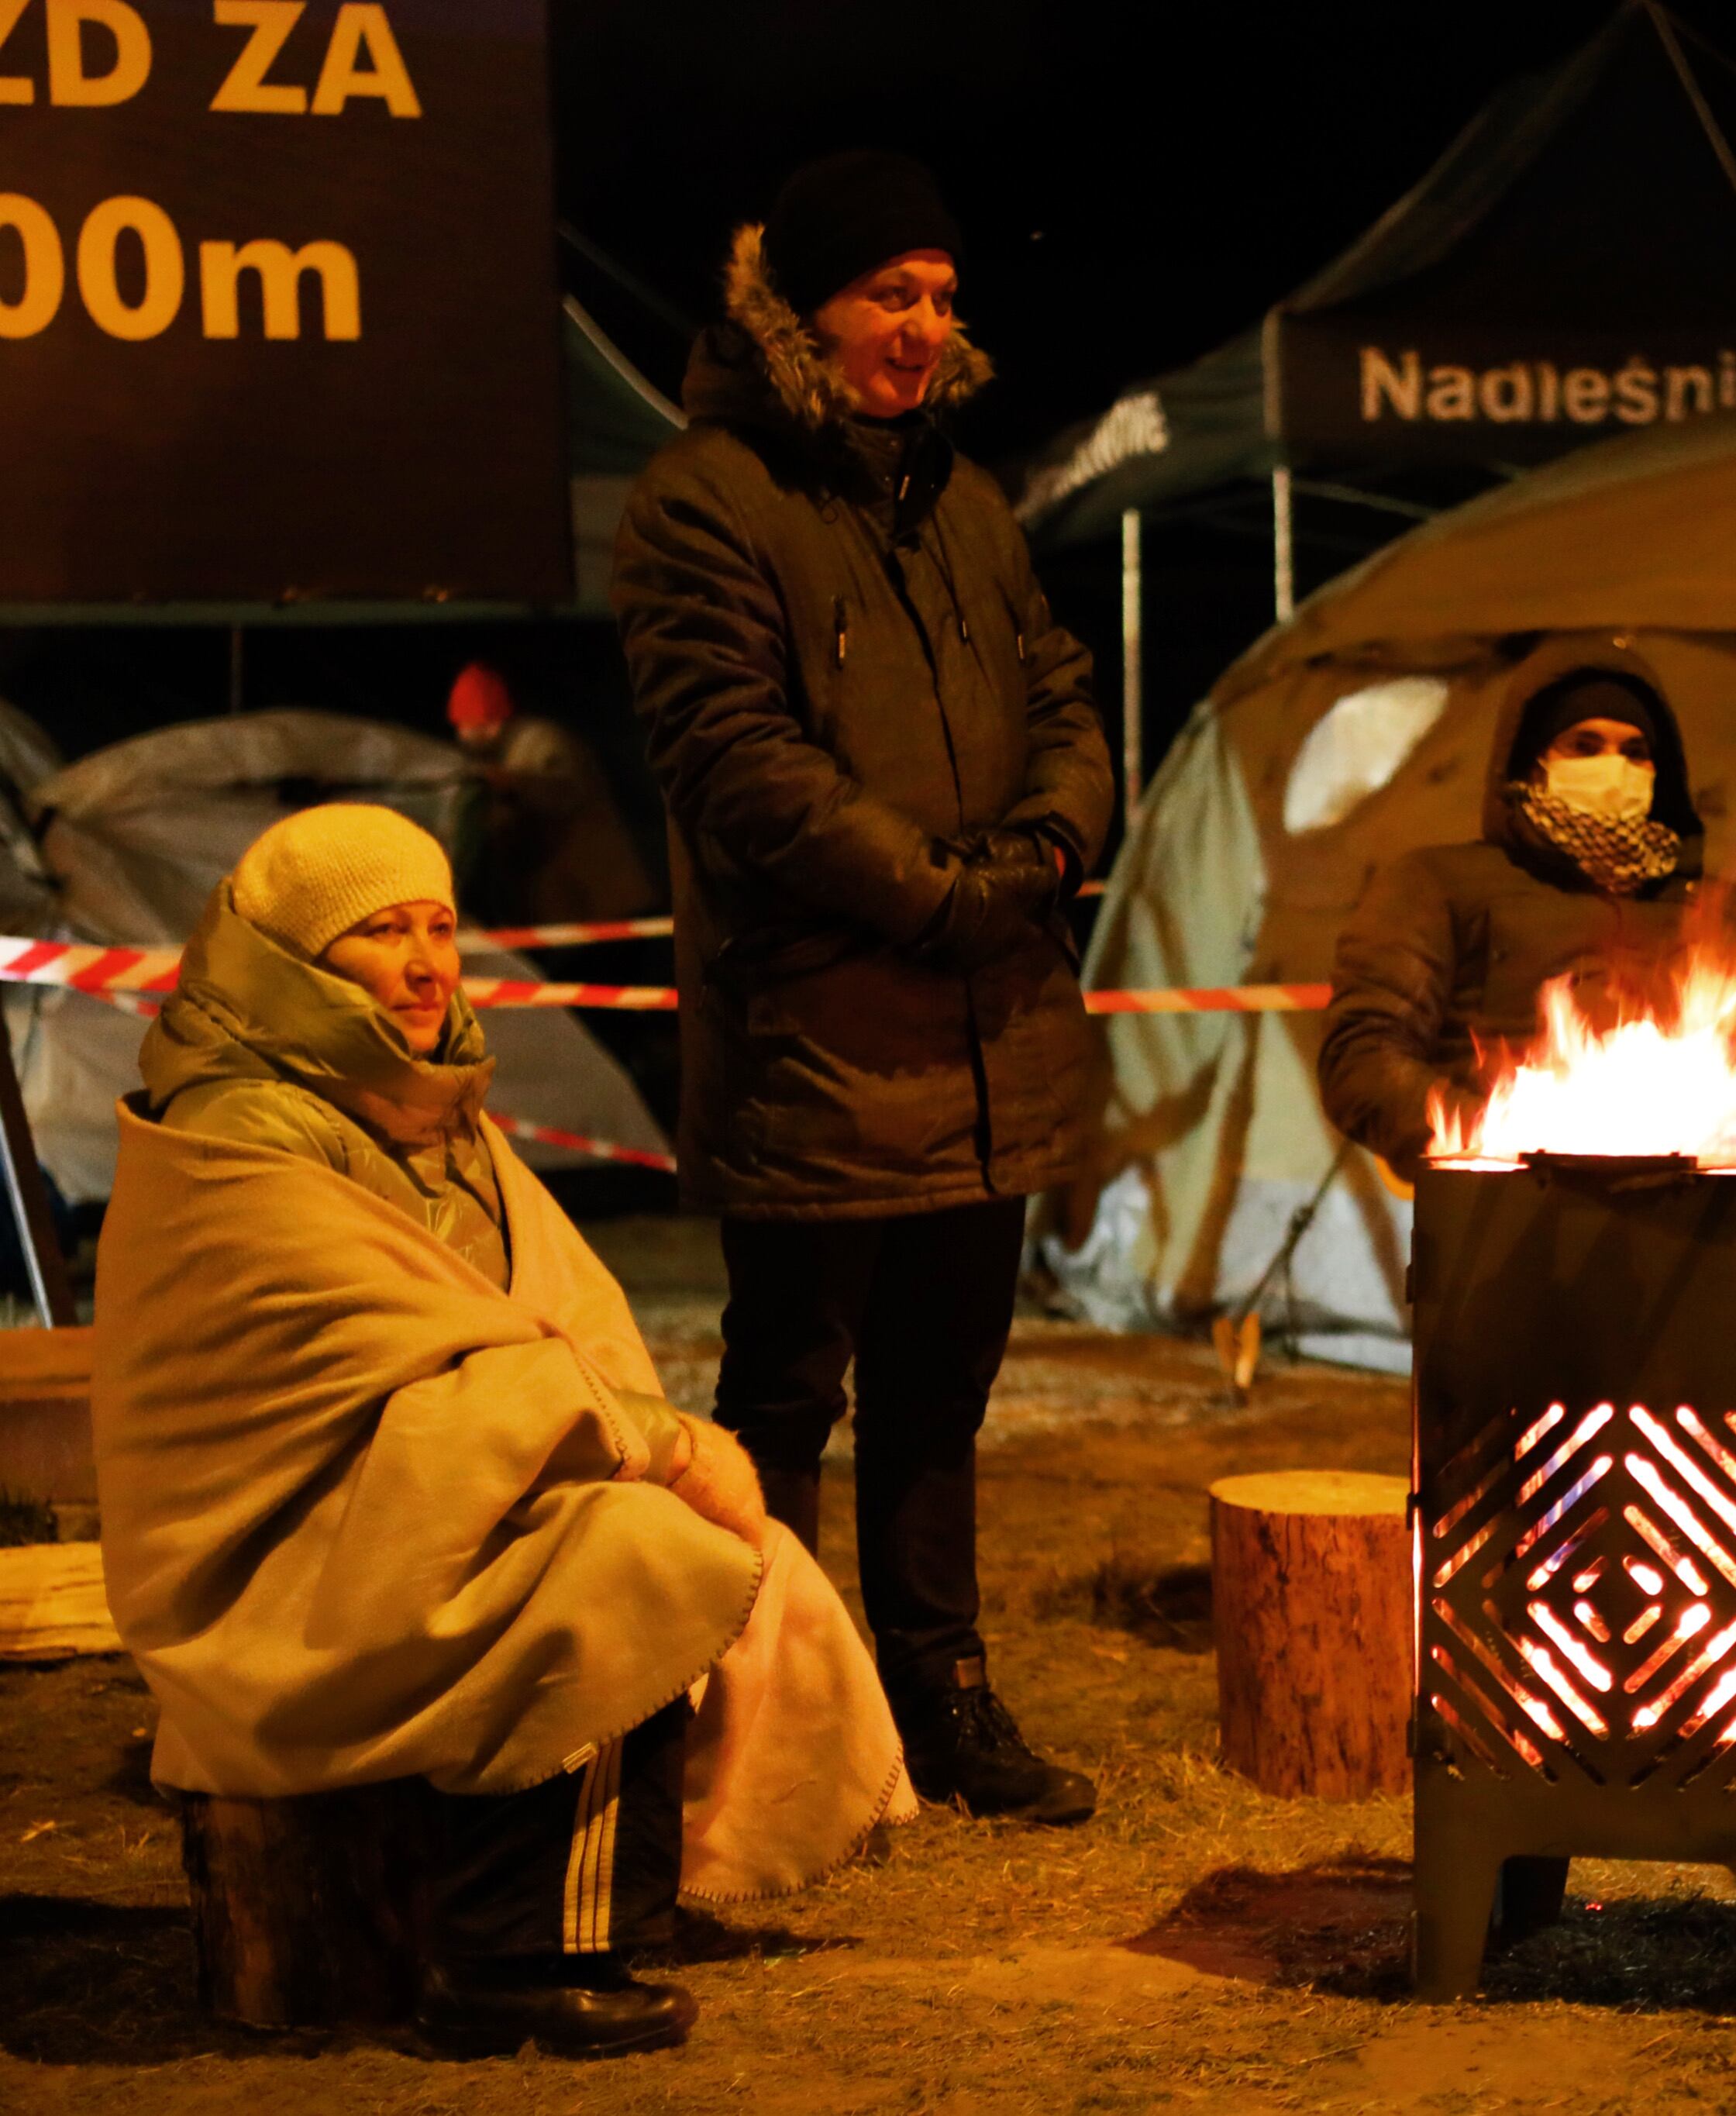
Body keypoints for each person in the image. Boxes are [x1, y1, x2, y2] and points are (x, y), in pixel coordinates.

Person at [93, 805, 915, 2060]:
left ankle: (611, 1913)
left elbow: (538, 1329)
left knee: (649, 1538)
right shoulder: (242, 1132)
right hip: (283, 1565)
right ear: (299, 960)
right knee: (628, 1559)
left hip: (412, 1505)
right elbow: (355, 1386)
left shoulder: (416, 1106)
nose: (429, 966)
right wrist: (662, 1447)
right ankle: (518, 1956)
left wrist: (604, 1433)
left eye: (440, 928)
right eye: (382, 934)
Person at [611, 153, 1115, 1825]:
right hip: (817, 1034)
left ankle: (940, 1699)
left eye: (941, 296)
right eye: (888, 293)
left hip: (987, 1033)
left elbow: (1059, 690)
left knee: (942, 1391)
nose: (922, 325)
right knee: (785, 1398)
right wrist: (938, 898)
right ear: (799, 309)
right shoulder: (703, 495)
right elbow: (733, 760)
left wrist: (1043, 852)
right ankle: (772, 1722)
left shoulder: (963, 501)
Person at [1320, 642, 1736, 1490]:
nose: (1615, 769)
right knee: (1632, 1308)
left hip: (1725, 1218)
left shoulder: (1715, 913)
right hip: (1531, 1219)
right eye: (1584, 746)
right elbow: (1362, 1056)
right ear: (1529, 759)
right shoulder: (1442, 886)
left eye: (1636, 752)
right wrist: (1502, 1138)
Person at [446, 660, 660, 928]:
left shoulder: (539, 742)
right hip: (566, 902)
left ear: (489, 720)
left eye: (468, 725)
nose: (463, 735)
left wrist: (511, 783)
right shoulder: (503, 753)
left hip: (596, 893)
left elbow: (563, 791)